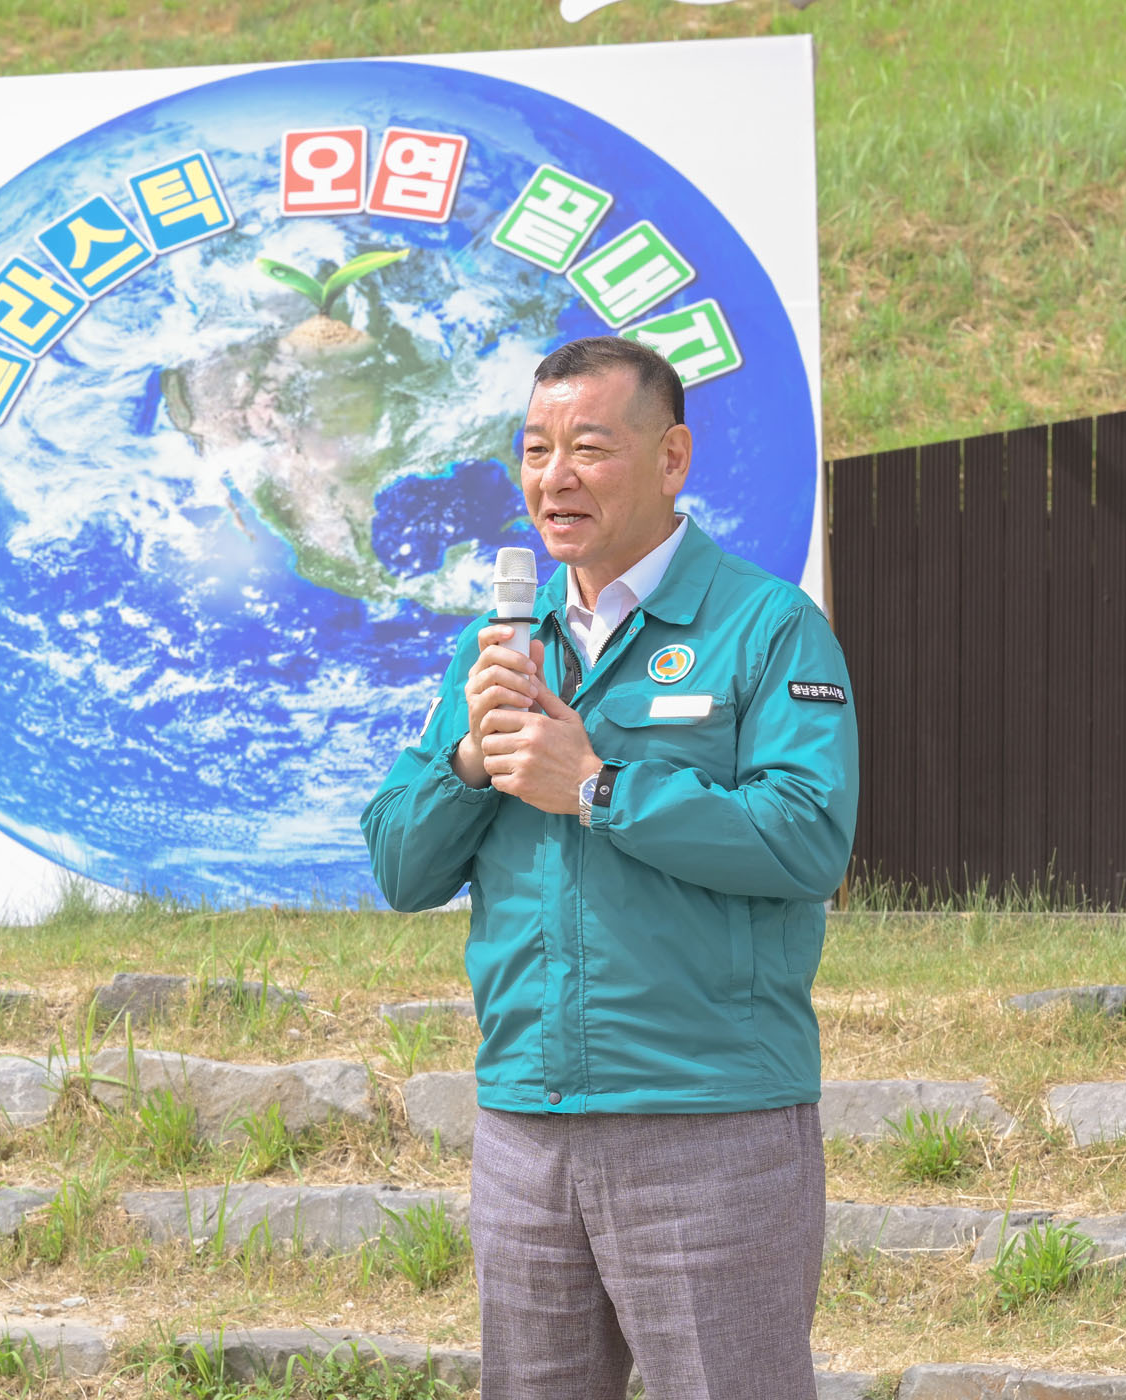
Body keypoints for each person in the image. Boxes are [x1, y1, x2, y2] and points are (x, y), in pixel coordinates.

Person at [359, 336, 859, 1400]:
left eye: (589, 447)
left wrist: (598, 787)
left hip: (707, 1120)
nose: (555, 477)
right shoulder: (502, 647)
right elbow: (401, 865)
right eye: (535, 450)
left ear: (672, 458)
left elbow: (808, 836)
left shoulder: (767, 628)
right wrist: (470, 758)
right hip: (525, 1127)